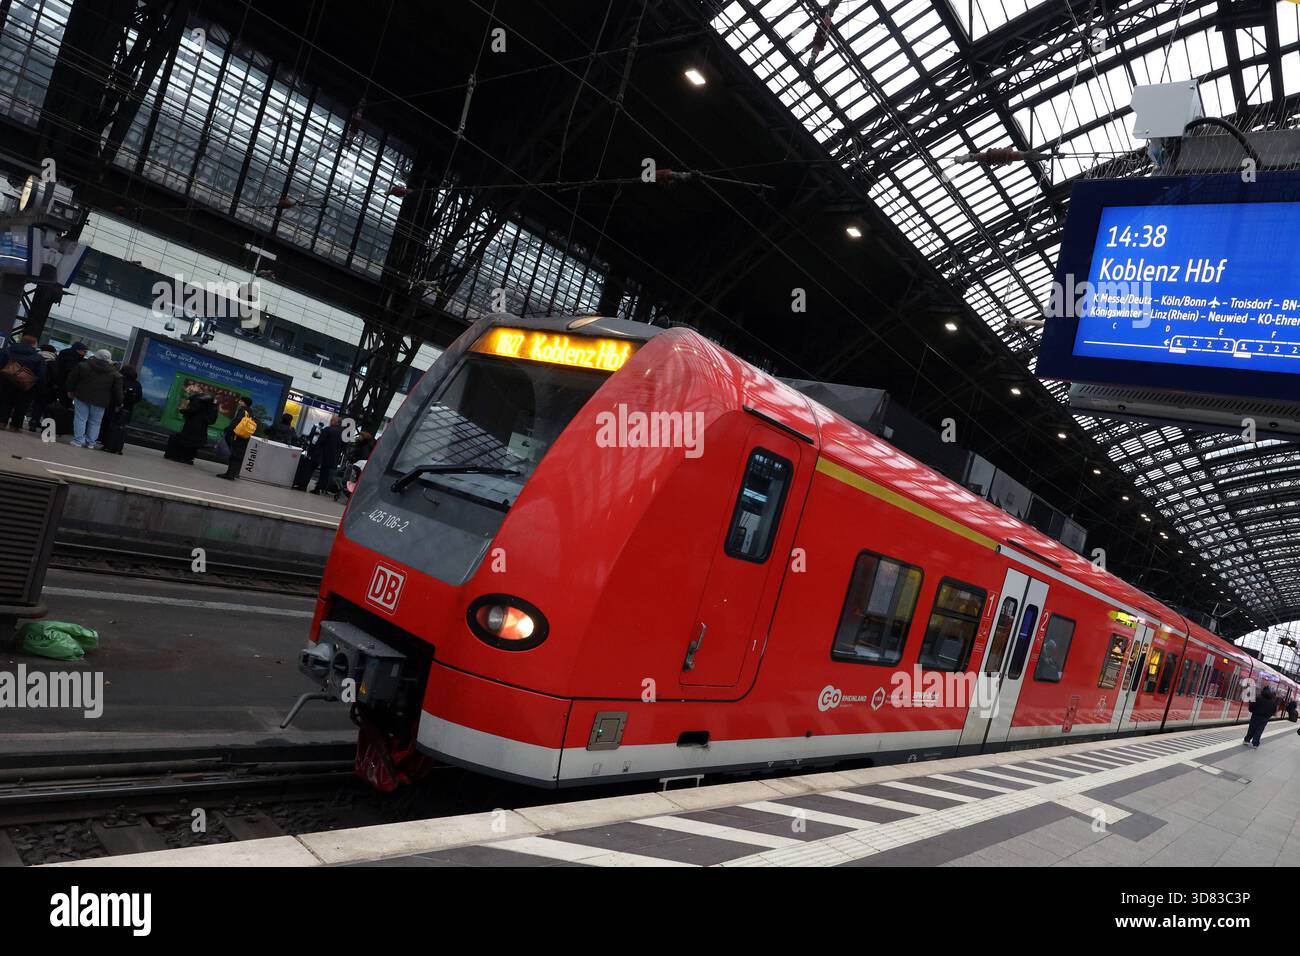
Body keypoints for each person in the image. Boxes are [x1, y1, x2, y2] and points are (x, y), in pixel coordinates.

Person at [65, 348, 122, 449]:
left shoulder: (83, 366)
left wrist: (70, 390)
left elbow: (71, 379)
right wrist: (119, 403)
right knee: (95, 422)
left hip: (81, 395)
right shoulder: (114, 373)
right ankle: (91, 442)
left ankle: (78, 441)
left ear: (96, 355)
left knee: (80, 419)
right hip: (101, 401)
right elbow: (117, 391)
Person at [0, 334, 47, 431]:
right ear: (33, 344)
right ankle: (15, 426)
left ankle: (2, 422)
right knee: (22, 404)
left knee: (5, 401)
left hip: (7, 380)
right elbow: (41, 374)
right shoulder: (37, 357)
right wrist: (40, 387)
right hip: (26, 384)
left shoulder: (8, 350)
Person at [164, 389, 218, 464]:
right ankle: (189, 459)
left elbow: (192, 410)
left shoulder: (196, 399)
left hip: (191, 425)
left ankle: (180, 457)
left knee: (186, 441)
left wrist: (182, 410)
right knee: (194, 443)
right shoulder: (212, 405)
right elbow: (212, 420)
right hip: (202, 427)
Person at [100, 364, 142, 454]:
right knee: (121, 428)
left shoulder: (119, 380)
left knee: (110, 425)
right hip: (128, 410)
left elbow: (112, 391)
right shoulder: (137, 384)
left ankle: (107, 444)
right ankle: (117, 446)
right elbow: (139, 398)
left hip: (114, 407)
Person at [219, 395, 256, 480]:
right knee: (238, 455)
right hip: (245, 436)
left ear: (244, 402)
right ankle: (232, 473)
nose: (239, 402)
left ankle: (230, 474)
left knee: (234, 455)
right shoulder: (251, 413)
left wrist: (229, 429)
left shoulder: (243, 410)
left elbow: (237, 421)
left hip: (237, 435)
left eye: (241, 401)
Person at [310, 415, 345, 494]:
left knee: (312, 468)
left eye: (332, 420)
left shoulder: (328, 429)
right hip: (334, 455)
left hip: (323, 454)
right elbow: (344, 446)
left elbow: (320, 441)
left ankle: (312, 487)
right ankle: (320, 488)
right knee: (326, 472)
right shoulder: (343, 433)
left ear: (335, 422)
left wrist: (314, 449)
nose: (330, 421)